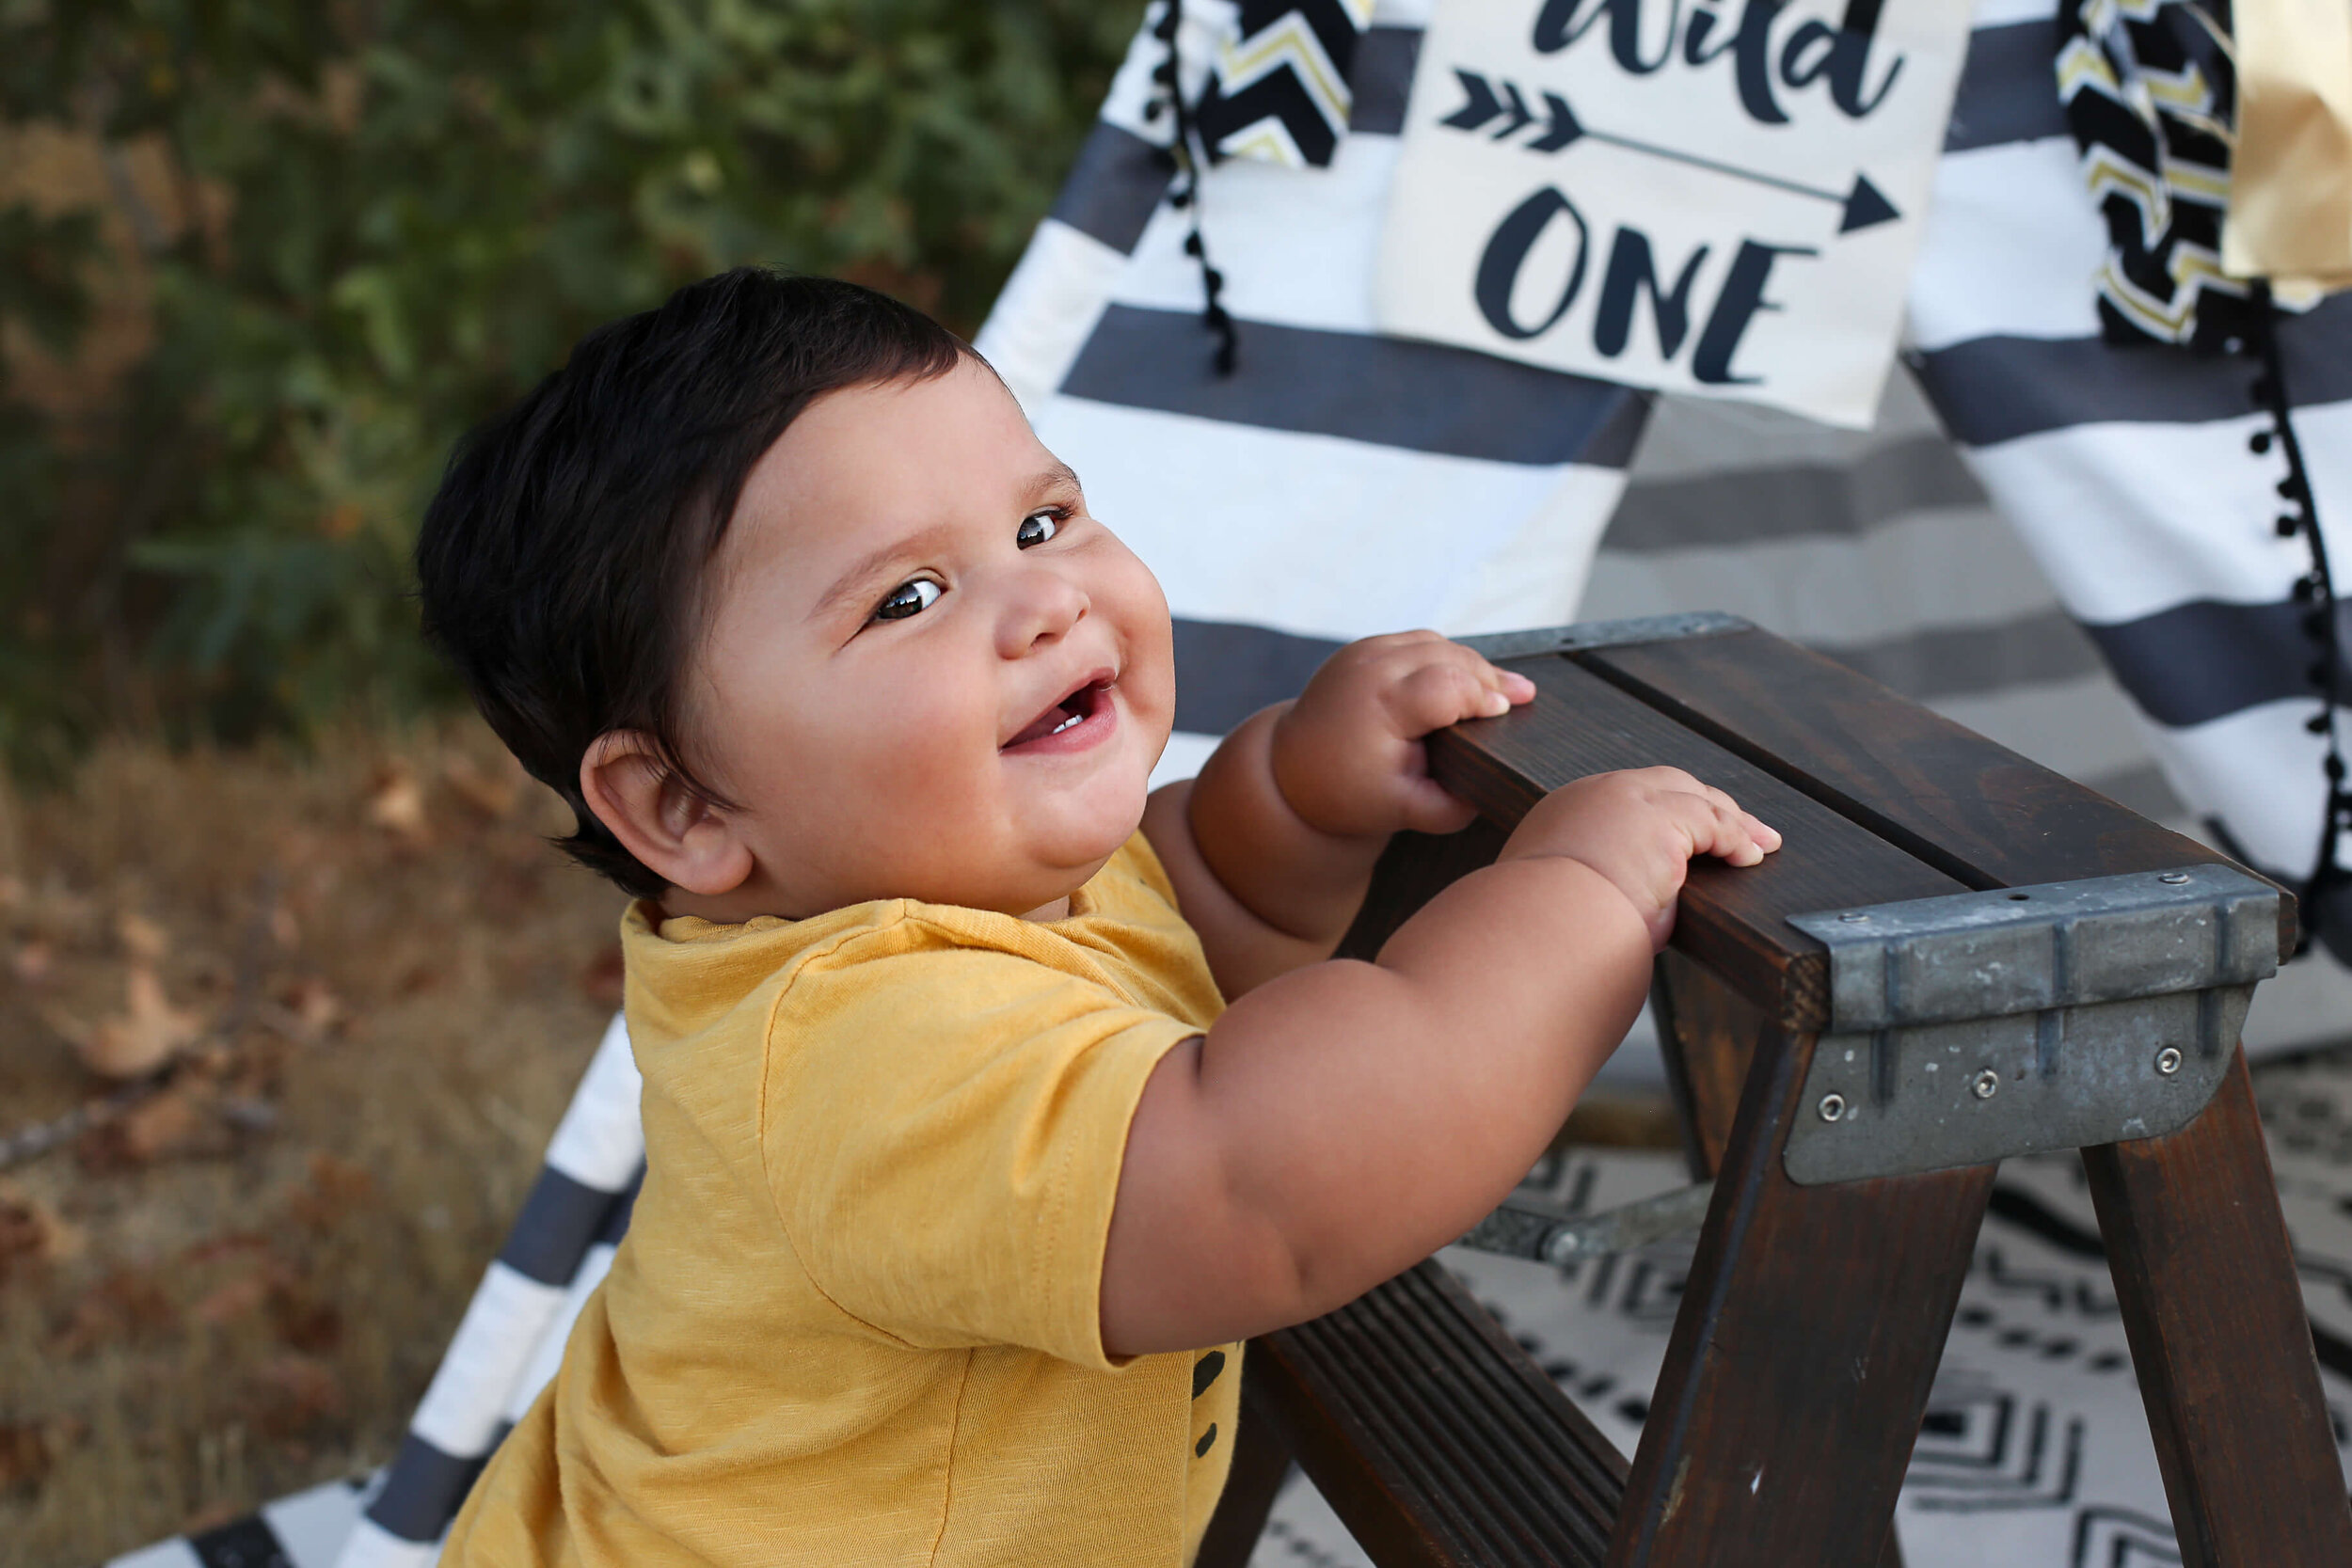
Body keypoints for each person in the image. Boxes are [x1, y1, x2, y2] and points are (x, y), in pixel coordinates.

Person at [412, 267, 1779, 1567]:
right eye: (909, 599)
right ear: (686, 808)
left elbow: (1194, 901)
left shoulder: (953, 880)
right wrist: (1576, 896)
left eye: (1041, 522)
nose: (1046, 600)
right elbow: (1269, 1188)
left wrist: (1305, 788)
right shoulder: (867, 1048)